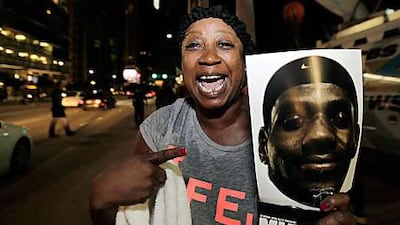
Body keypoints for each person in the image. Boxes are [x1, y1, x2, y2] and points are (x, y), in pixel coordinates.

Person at [89, 5, 356, 225]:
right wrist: (101, 199)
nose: (208, 57)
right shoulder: (161, 128)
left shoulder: (288, 133)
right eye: (194, 45)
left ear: (245, 63)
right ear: (182, 66)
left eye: (224, 44)